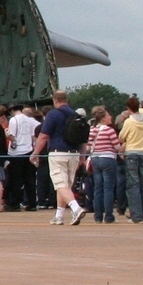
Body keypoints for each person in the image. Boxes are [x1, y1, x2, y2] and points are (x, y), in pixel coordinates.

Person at [33, 89, 85, 226]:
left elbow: (43, 136)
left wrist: (35, 153)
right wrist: (82, 156)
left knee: (60, 184)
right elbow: (83, 138)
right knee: (65, 185)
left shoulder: (53, 114)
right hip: (74, 153)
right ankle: (59, 215)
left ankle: (76, 208)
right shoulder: (75, 115)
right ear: (66, 100)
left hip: (58, 152)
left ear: (55, 100)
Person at [117, 97, 143, 224]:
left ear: (128, 108)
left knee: (133, 185)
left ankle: (136, 216)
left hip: (132, 153)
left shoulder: (129, 122)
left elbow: (121, 137)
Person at [85, 106, 121, 223]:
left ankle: (98, 216)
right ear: (103, 118)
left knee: (98, 188)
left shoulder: (92, 130)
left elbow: (88, 147)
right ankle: (109, 216)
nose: (110, 117)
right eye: (108, 115)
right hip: (108, 159)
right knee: (108, 189)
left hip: (95, 159)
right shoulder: (110, 130)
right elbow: (117, 147)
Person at [6, 102, 39, 211]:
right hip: (28, 150)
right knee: (30, 179)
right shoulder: (29, 120)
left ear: (12, 110)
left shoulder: (13, 120)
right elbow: (33, 136)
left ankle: (15, 203)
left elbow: (12, 137)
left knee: (15, 179)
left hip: (16, 153)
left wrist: (6, 134)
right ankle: (32, 203)